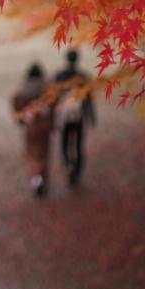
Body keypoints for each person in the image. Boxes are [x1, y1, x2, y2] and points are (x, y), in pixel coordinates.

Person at [54, 48, 96, 187]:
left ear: (66, 59)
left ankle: (68, 164)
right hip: (79, 115)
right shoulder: (83, 76)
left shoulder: (59, 76)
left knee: (65, 143)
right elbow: (89, 98)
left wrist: (54, 115)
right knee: (78, 144)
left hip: (64, 115)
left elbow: (53, 97)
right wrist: (91, 116)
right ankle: (77, 170)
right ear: (77, 59)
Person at [11, 63, 54, 196]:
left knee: (32, 155)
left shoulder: (23, 90)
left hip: (30, 128)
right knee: (43, 155)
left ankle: (36, 179)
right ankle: (41, 179)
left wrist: (21, 119)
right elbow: (54, 105)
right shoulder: (46, 89)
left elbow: (15, 103)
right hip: (45, 127)